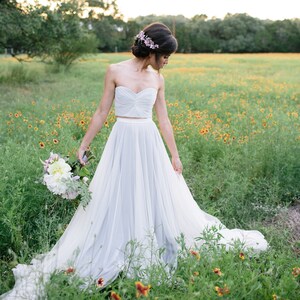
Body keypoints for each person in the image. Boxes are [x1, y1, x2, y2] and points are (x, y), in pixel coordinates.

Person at [1, 22, 268, 300]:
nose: (166, 61)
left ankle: (152, 237)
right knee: (119, 189)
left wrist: (174, 154)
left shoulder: (158, 79)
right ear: (152, 50)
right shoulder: (115, 71)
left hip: (148, 139)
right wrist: (84, 144)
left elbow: (163, 118)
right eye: (165, 55)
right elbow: (102, 110)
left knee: (153, 191)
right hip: (122, 138)